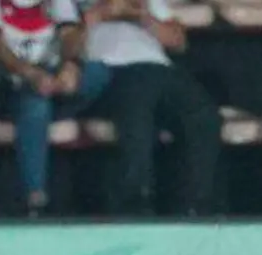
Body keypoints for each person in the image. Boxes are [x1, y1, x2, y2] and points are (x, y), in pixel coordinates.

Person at [0, 0, 110, 214]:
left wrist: (71, 65)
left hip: (47, 76)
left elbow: (70, 33)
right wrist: (29, 73)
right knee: (35, 104)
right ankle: (34, 197)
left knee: (97, 73)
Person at [79, 0, 219, 214]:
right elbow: (66, 41)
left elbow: (179, 41)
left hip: (159, 68)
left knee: (204, 115)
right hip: (111, 70)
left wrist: (142, 16)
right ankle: (135, 205)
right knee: (137, 113)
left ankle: (196, 205)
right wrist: (103, 13)